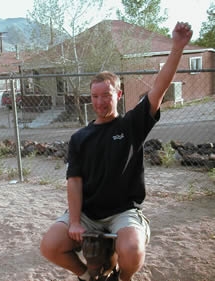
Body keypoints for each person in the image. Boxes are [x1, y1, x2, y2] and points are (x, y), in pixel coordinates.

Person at [40, 22, 193, 281]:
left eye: (106, 95)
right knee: (49, 246)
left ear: (118, 94)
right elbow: (74, 182)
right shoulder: (80, 137)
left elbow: (159, 88)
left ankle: (122, 278)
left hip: (123, 212)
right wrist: (75, 221)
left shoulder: (132, 125)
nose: (100, 102)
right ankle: (88, 276)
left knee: (132, 251)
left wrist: (177, 48)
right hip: (88, 213)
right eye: (95, 96)